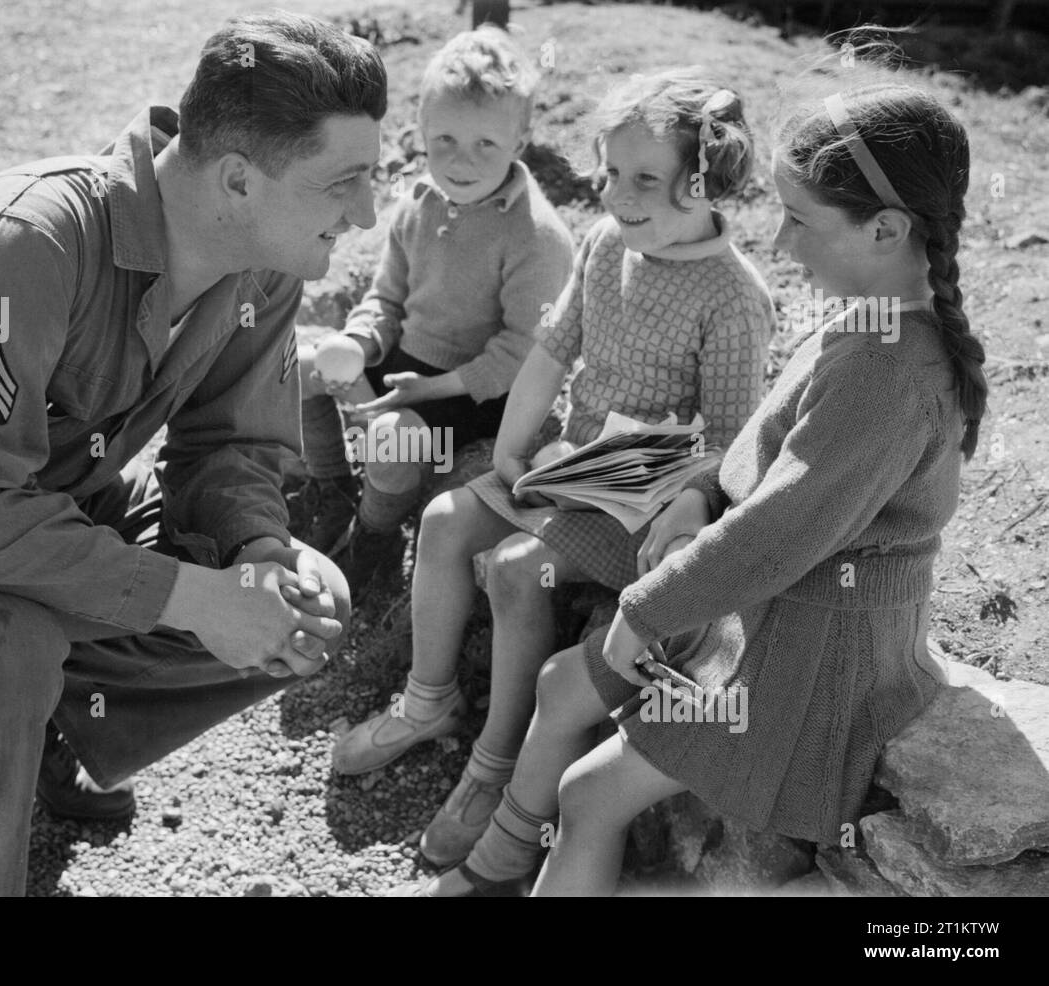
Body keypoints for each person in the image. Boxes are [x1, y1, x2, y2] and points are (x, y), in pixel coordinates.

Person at [0, 11, 386, 897]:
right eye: (344, 183)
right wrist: (192, 596)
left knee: (311, 600)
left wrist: (254, 557)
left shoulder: (269, 259)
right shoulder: (28, 244)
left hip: (45, 511)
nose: (366, 213)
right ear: (239, 179)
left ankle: (35, 727)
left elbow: (230, 447)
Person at [403, 72, 984, 896]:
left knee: (588, 794)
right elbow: (754, 451)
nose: (780, 244)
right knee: (564, 681)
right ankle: (497, 859)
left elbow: (782, 528)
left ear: (887, 229)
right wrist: (699, 491)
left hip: (803, 659)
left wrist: (645, 609)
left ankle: (513, 865)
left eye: (800, 220)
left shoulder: (889, 371)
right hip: (756, 609)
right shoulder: (867, 315)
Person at [334, 68, 775, 869]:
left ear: (705, 181)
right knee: (443, 521)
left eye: (646, 178)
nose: (617, 195)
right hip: (576, 464)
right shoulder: (608, 246)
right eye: (610, 173)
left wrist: (660, 492)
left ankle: (495, 770)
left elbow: (733, 443)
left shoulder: (731, 296)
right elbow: (552, 348)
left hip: (647, 494)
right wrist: (510, 446)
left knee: (514, 570)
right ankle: (428, 703)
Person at [293, 26, 573, 592]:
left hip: (476, 394)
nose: (460, 161)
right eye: (443, 139)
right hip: (405, 362)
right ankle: (333, 489)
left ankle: (373, 538)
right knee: (297, 369)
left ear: (520, 142)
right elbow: (388, 298)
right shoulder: (418, 205)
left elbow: (521, 355)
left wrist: (428, 390)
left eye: (485, 145)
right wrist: (360, 342)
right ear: (421, 129)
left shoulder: (537, 236)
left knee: (393, 440)